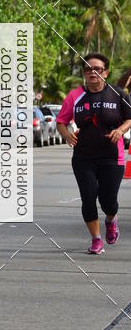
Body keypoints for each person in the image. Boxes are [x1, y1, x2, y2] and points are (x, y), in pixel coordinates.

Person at [56, 53, 131, 254]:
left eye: (97, 69)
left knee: (108, 201)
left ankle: (111, 219)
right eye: (88, 69)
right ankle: (96, 239)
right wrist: (67, 135)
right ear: (84, 73)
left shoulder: (118, 94)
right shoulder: (75, 96)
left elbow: (129, 118)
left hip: (112, 157)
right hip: (83, 157)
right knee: (88, 197)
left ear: (105, 72)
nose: (93, 72)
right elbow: (61, 122)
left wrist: (120, 130)